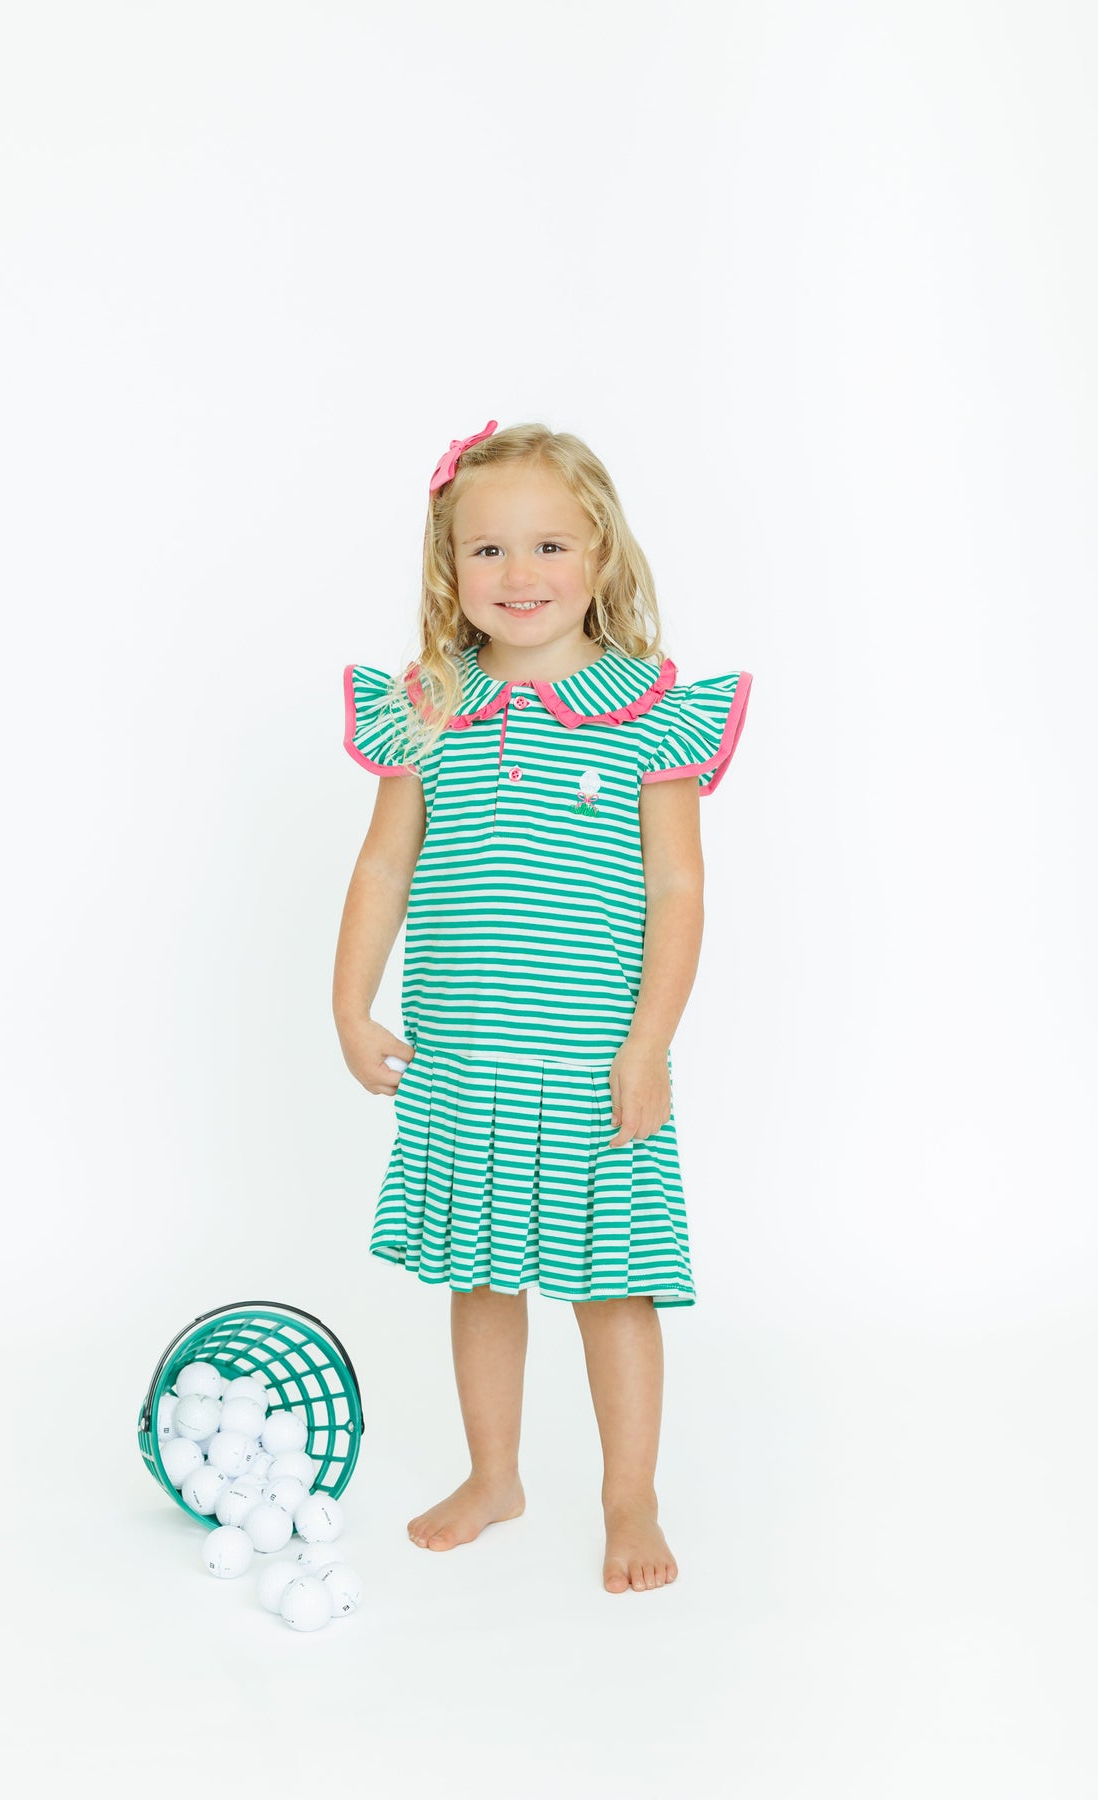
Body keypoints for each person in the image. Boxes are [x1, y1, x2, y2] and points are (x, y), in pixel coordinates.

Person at [333, 419, 753, 1595]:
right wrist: (350, 1006)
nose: (518, 574)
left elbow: (676, 891)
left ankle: (628, 1494)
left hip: (591, 1067)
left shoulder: (648, 712)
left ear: (601, 555)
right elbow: (382, 866)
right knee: (480, 1278)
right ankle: (494, 1475)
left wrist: (648, 1044)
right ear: (448, 566)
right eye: (487, 550)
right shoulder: (428, 705)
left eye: (548, 545)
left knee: (611, 1286)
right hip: (463, 1060)